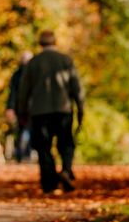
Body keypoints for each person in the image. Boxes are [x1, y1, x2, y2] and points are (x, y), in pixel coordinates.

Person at [17, 30, 85, 193]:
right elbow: (77, 87)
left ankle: (49, 182)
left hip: (40, 112)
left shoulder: (33, 63)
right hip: (63, 110)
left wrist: (22, 111)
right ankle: (66, 171)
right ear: (55, 42)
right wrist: (80, 108)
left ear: (40, 43)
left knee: (43, 147)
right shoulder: (66, 60)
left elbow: (23, 90)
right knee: (66, 144)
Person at [4, 50, 34, 162]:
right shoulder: (18, 75)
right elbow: (13, 93)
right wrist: (10, 107)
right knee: (24, 131)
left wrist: (10, 107)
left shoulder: (18, 74)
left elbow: (12, 93)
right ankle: (23, 154)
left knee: (24, 131)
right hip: (24, 108)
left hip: (26, 108)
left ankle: (23, 154)